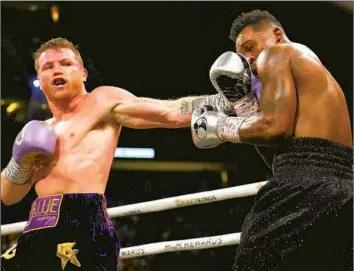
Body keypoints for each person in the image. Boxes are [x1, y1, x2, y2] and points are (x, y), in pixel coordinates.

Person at [0, 37, 233, 271]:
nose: (57, 70)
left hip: (81, 223)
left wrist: (226, 101)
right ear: (39, 78)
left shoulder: (101, 102)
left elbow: (167, 112)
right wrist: (20, 162)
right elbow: (8, 196)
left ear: (83, 74)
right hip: (37, 225)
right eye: (47, 67)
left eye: (65, 63)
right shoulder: (38, 130)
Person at [191, 10, 353, 271]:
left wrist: (221, 126)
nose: (249, 59)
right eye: (242, 55)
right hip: (343, 192)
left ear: (277, 34)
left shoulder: (277, 54)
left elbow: (274, 128)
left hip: (303, 188)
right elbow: (278, 158)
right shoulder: (313, 69)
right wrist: (245, 108)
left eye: (250, 47)